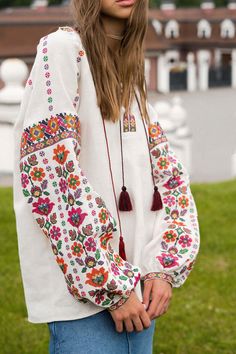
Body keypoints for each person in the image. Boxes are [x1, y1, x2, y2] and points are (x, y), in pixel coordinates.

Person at [13, 0, 200, 353]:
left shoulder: (129, 66)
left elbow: (168, 176)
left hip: (141, 291)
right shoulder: (62, 49)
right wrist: (109, 286)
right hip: (86, 300)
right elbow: (52, 177)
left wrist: (162, 266)